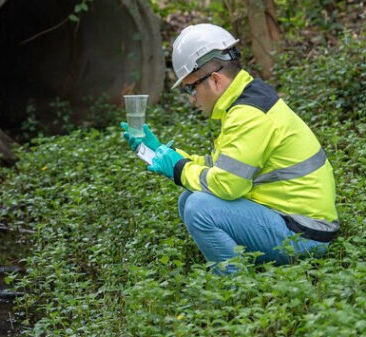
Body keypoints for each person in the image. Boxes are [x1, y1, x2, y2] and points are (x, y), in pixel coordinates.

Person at [122, 23, 338, 274]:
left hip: (305, 234)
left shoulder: (248, 115)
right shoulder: (245, 102)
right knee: (189, 198)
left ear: (215, 79)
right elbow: (220, 166)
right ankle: (246, 266)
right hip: (294, 220)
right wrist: (162, 152)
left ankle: (233, 286)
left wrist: (178, 169)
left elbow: (228, 184)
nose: (192, 98)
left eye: (192, 87)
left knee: (199, 208)